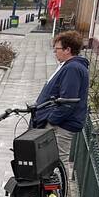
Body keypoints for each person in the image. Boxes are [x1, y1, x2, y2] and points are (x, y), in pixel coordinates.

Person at [32, 30, 89, 163]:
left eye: (57, 49)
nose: (54, 52)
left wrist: (52, 120)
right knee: (51, 160)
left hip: (61, 126)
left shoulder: (72, 68)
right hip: (60, 123)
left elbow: (68, 100)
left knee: (58, 161)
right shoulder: (69, 66)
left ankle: (61, 178)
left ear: (67, 50)